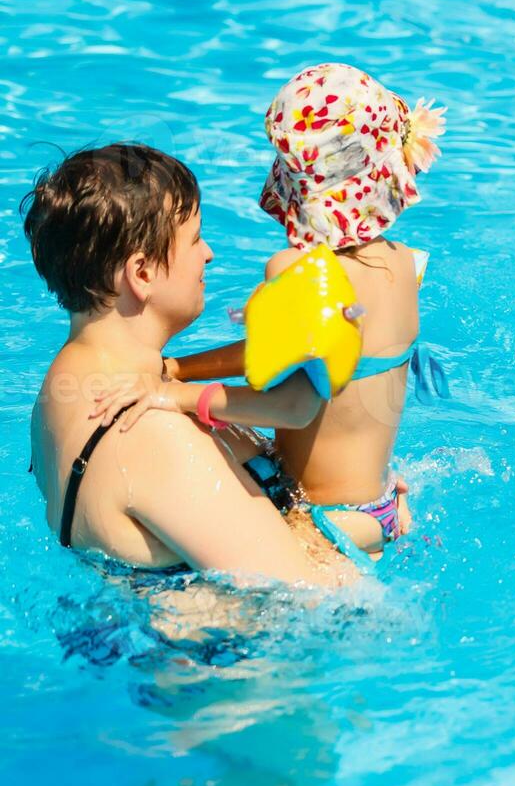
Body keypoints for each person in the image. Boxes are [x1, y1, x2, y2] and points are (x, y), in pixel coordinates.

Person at [93, 63, 443, 570]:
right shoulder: (406, 264)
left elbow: (294, 405)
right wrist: (177, 366)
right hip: (381, 503)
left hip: (324, 526)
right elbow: (297, 356)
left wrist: (171, 395)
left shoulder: (302, 272)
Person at [25, 144, 353, 585]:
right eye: (195, 238)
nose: (209, 254)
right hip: (230, 653)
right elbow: (313, 597)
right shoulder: (150, 433)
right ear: (141, 274)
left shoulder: (62, 388)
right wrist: (378, 524)